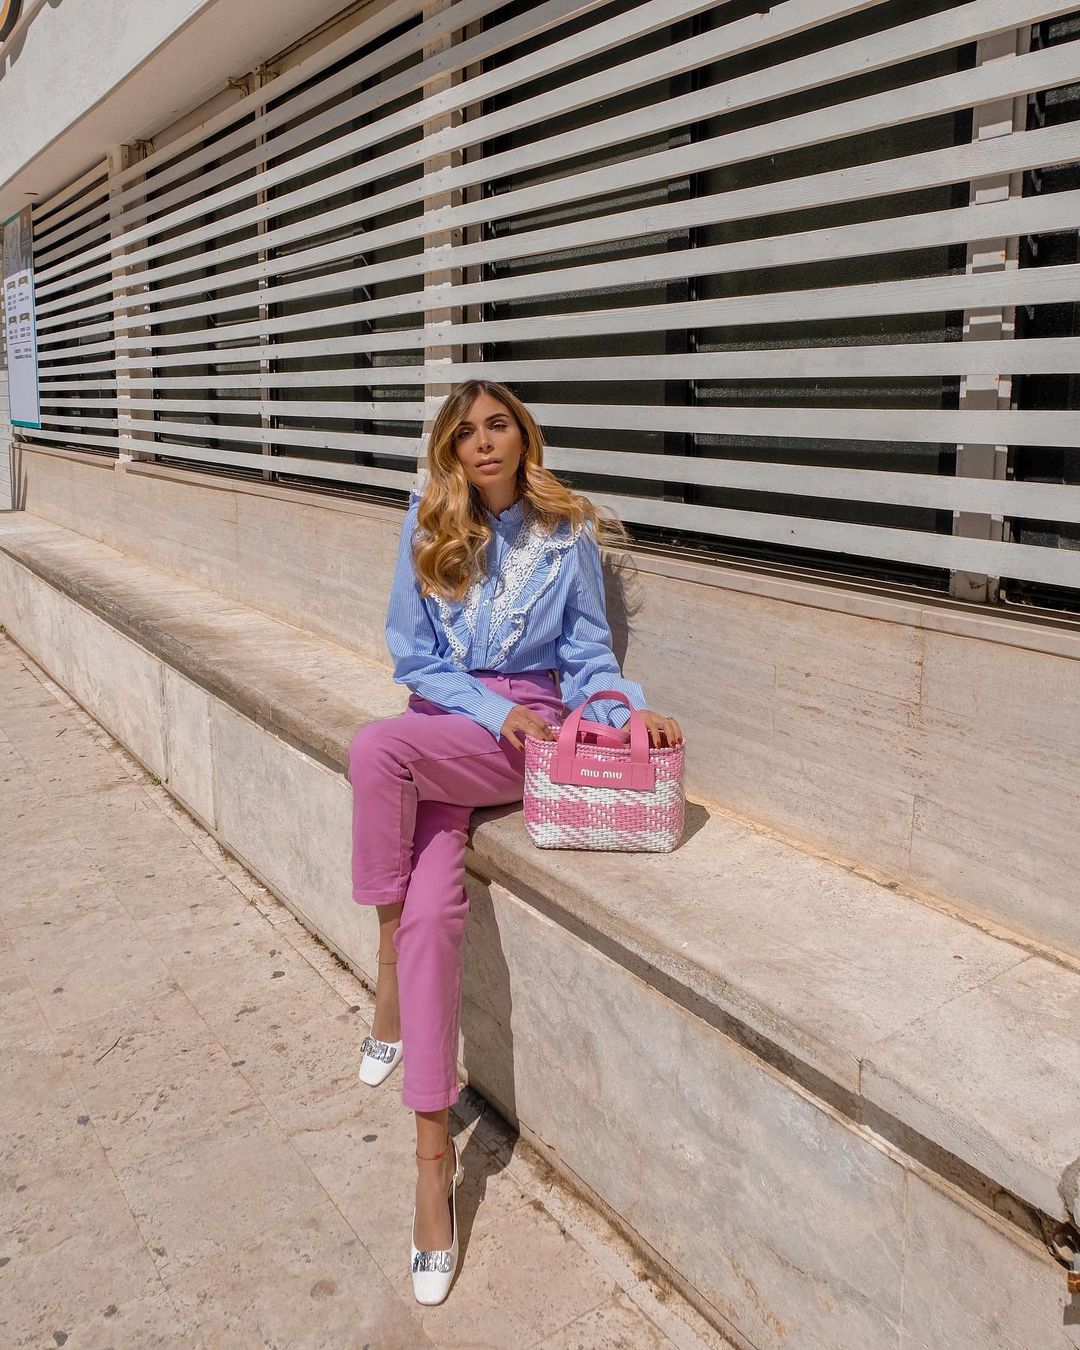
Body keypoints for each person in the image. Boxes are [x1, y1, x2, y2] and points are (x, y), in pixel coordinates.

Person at [346, 379, 684, 1304]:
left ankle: (379, 966)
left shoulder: (564, 531)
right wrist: (483, 705)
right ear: (449, 451)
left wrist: (624, 715)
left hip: (516, 739)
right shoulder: (424, 519)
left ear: (522, 436)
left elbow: (586, 658)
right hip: (450, 723)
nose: (483, 443)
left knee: (376, 749)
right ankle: (429, 1164)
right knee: (432, 911)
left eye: (498, 426)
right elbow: (412, 657)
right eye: (465, 433)